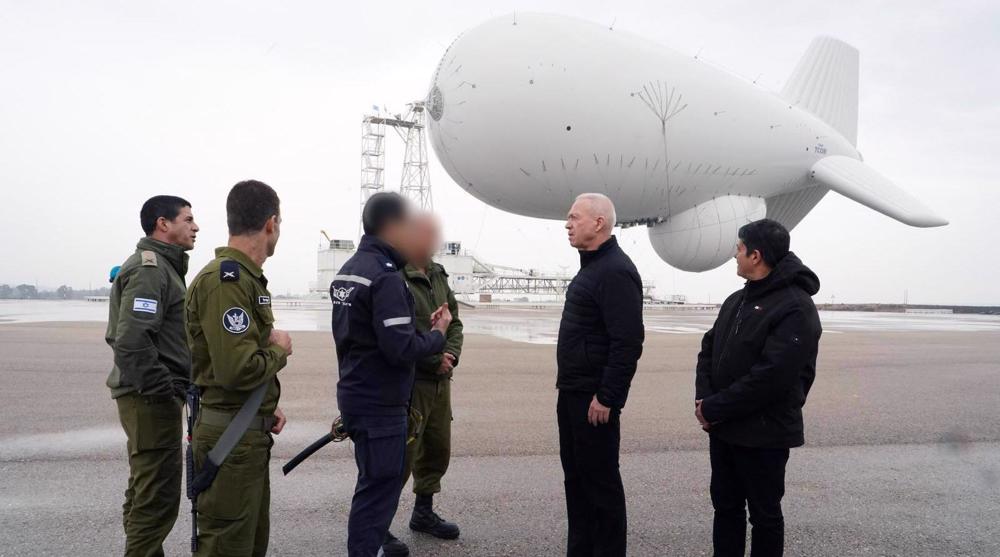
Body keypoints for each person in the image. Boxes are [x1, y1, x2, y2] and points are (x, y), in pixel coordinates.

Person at [331, 192, 452, 557]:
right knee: (378, 493)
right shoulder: (384, 277)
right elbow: (399, 348)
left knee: (370, 486)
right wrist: (437, 335)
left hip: (356, 393)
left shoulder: (349, 269)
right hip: (381, 404)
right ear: (393, 227)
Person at [694, 218, 822, 557]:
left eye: (738, 248)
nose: (733, 254)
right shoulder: (736, 300)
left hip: (765, 433)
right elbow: (708, 348)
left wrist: (714, 408)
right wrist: (703, 399)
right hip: (724, 429)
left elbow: (772, 377)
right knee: (726, 508)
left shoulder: (795, 307)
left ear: (756, 255)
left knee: (764, 516)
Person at [185, 180, 293, 556]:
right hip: (231, 439)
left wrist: (263, 404)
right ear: (270, 224)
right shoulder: (225, 281)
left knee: (247, 543)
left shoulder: (244, 279)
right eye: (280, 224)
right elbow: (236, 369)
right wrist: (280, 351)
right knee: (228, 546)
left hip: (244, 431)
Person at [106, 195, 198, 557]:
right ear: (163, 223)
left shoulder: (164, 268)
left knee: (145, 491)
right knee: (156, 498)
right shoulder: (151, 269)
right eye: (187, 219)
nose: (195, 226)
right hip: (149, 397)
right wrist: (164, 388)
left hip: (149, 395)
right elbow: (129, 341)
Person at [557, 193, 644, 557]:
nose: (567, 223)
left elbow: (628, 341)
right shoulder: (592, 267)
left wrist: (608, 396)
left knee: (600, 487)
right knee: (577, 484)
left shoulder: (616, 271)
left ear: (599, 223)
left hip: (594, 399)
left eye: (574, 217)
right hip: (573, 393)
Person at [400, 213, 464, 540]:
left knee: (437, 448)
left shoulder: (438, 273)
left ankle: (423, 512)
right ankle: (377, 524)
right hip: (413, 381)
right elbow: (399, 333)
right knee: (401, 455)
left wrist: (450, 355)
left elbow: (453, 321)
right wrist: (434, 359)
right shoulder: (397, 275)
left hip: (441, 382)